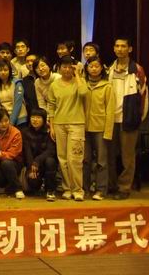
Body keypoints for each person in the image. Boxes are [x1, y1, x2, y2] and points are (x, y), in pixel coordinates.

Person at [107, 37, 148, 200]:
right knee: (109, 155)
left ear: (129, 49)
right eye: (117, 46)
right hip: (111, 120)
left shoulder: (137, 70)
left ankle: (124, 188)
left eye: (123, 46)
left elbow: (144, 95)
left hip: (129, 119)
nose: (120, 49)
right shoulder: (109, 69)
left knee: (127, 157)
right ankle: (111, 185)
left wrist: (139, 118)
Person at [47, 55, 88, 201]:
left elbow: (83, 93)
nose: (66, 70)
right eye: (63, 67)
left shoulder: (80, 82)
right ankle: (67, 188)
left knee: (75, 159)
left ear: (73, 68)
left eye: (69, 67)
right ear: (59, 68)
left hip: (76, 123)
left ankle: (78, 189)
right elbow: (51, 106)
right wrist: (52, 126)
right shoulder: (54, 85)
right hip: (59, 124)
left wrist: (77, 75)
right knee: (62, 158)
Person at [84, 56, 115, 201]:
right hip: (84, 128)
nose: (94, 69)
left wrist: (108, 132)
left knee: (102, 161)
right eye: (91, 66)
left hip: (100, 128)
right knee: (85, 160)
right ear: (87, 68)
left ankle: (101, 189)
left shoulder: (107, 86)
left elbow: (110, 110)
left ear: (101, 68)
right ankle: (84, 188)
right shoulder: (82, 85)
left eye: (97, 66)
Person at [0, 109, 25, 199]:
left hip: (14, 162)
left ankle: (17, 189)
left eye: (6, 120)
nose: (4, 124)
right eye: (0, 122)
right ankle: (5, 186)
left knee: (6, 163)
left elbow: (13, 154)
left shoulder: (16, 133)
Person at [21, 108, 57, 201]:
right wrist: (30, 168)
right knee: (33, 182)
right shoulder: (25, 132)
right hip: (32, 164)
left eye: (38, 117)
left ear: (44, 119)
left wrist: (37, 160)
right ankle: (39, 186)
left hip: (44, 163)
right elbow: (27, 152)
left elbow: (51, 151)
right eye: (33, 117)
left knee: (50, 161)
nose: (35, 120)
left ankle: (50, 190)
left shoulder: (49, 132)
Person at [0, 60, 27, 128]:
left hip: (19, 119)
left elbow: (18, 104)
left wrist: (11, 122)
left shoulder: (17, 83)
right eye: (0, 70)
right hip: (4, 119)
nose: (3, 72)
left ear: (10, 71)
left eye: (5, 70)